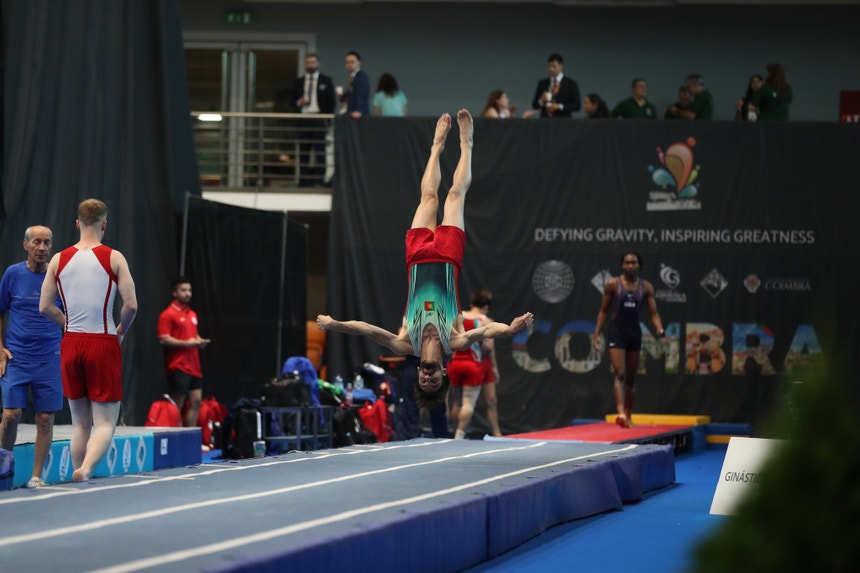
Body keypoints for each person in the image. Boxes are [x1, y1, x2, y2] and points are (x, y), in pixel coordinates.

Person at [316, 110, 533, 409]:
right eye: (434, 381)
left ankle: (436, 145)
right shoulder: (454, 341)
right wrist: (509, 330)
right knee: (455, 194)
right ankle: (466, 143)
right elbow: (485, 331)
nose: (427, 377)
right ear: (444, 373)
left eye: (424, 380)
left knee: (428, 196)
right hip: (448, 257)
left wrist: (334, 323)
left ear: (418, 373)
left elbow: (367, 329)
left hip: (416, 259)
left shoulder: (406, 342)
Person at [39, 199, 138, 482]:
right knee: (105, 423)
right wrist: (121, 330)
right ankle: (85, 470)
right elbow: (131, 305)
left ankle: (77, 473)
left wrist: (67, 325)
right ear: (104, 224)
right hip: (102, 341)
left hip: (71, 343)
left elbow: (44, 306)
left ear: (77, 223)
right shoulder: (114, 257)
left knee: (80, 425)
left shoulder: (59, 259)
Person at [0, 226, 63, 488]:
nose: (42, 247)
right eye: (37, 242)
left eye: (47, 242)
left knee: (45, 419)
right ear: (26, 245)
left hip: (49, 359)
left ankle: (36, 476)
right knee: (11, 415)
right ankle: (4, 468)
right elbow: (0, 310)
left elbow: (70, 316)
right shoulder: (13, 274)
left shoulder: (58, 277)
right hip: (17, 358)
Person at [592, 253, 664, 428]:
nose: (630, 265)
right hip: (617, 331)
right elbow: (603, 311)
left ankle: (629, 415)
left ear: (639, 265)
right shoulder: (612, 285)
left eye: (633, 263)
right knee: (620, 373)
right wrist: (596, 333)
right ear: (622, 265)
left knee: (631, 377)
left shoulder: (646, 287)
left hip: (634, 332)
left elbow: (653, 313)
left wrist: (659, 328)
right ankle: (621, 413)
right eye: (627, 263)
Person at [447, 288, 502, 439]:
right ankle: (459, 434)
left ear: (472, 304)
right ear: (486, 306)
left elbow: (449, 341)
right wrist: (494, 367)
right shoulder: (485, 321)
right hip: (474, 363)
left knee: (456, 403)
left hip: (456, 363)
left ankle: (453, 431)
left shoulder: (458, 318)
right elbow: (489, 347)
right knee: (468, 404)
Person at [158, 277, 209, 429]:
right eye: (184, 290)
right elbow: (164, 339)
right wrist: (187, 343)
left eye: (189, 290)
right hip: (178, 366)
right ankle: (175, 435)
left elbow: (193, 335)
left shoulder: (192, 314)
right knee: (177, 403)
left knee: (196, 401)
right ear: (175, 293)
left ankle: (190, 437)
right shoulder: (167, 314)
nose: (188, 293)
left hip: (194, 366)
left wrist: (199, 341)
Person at [292, 53, 337, 187]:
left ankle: (319, 180)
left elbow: (332, 102)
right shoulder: (299, 82)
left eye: (313, 62)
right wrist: (299, 102)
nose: (310, 65)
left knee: (320, 151)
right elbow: (291, 101)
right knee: (304, 151)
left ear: (318, 64)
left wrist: (326, 117)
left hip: (319, 118)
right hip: (304, 118)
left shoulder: (326, 80)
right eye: (308, 63)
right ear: (305, 65)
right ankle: (304, 181)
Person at [531, 53, 581, 118]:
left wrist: (559, 106)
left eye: (554, 66)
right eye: (549, 66)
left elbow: (577, 105)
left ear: (561, 66)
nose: (550, 69)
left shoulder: (570, 84)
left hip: (563, 121)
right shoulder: (542, 83)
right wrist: (541, 101)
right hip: (545, 120)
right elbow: (534, 105)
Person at [342, 51, 370, 118]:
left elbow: (362, 95)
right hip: (351, 113)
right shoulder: (351, 78)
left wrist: (359, 110)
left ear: (359, 63)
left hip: (358, 115)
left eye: (352, 62)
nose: (349, 64)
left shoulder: (362, 77)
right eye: (347, 62)